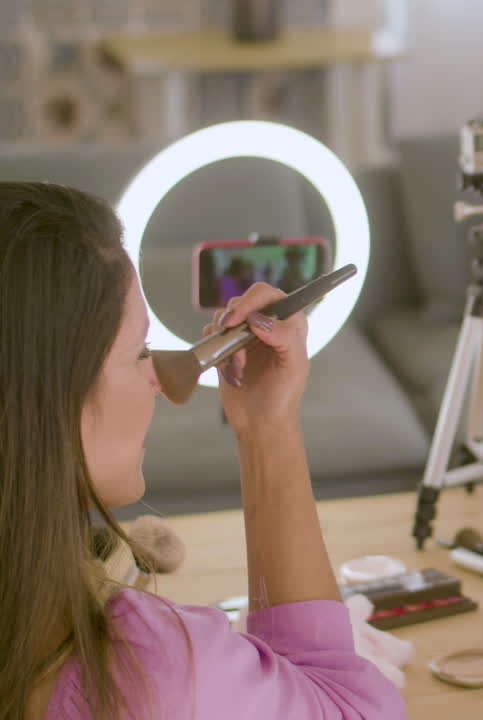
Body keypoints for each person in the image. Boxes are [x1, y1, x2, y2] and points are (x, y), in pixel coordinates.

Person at [0, 181, 407, 719]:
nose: (161, 382)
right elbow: (352, 709)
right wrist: (270, 430)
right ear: (47, 390)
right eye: (140, 351)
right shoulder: (144, 669)